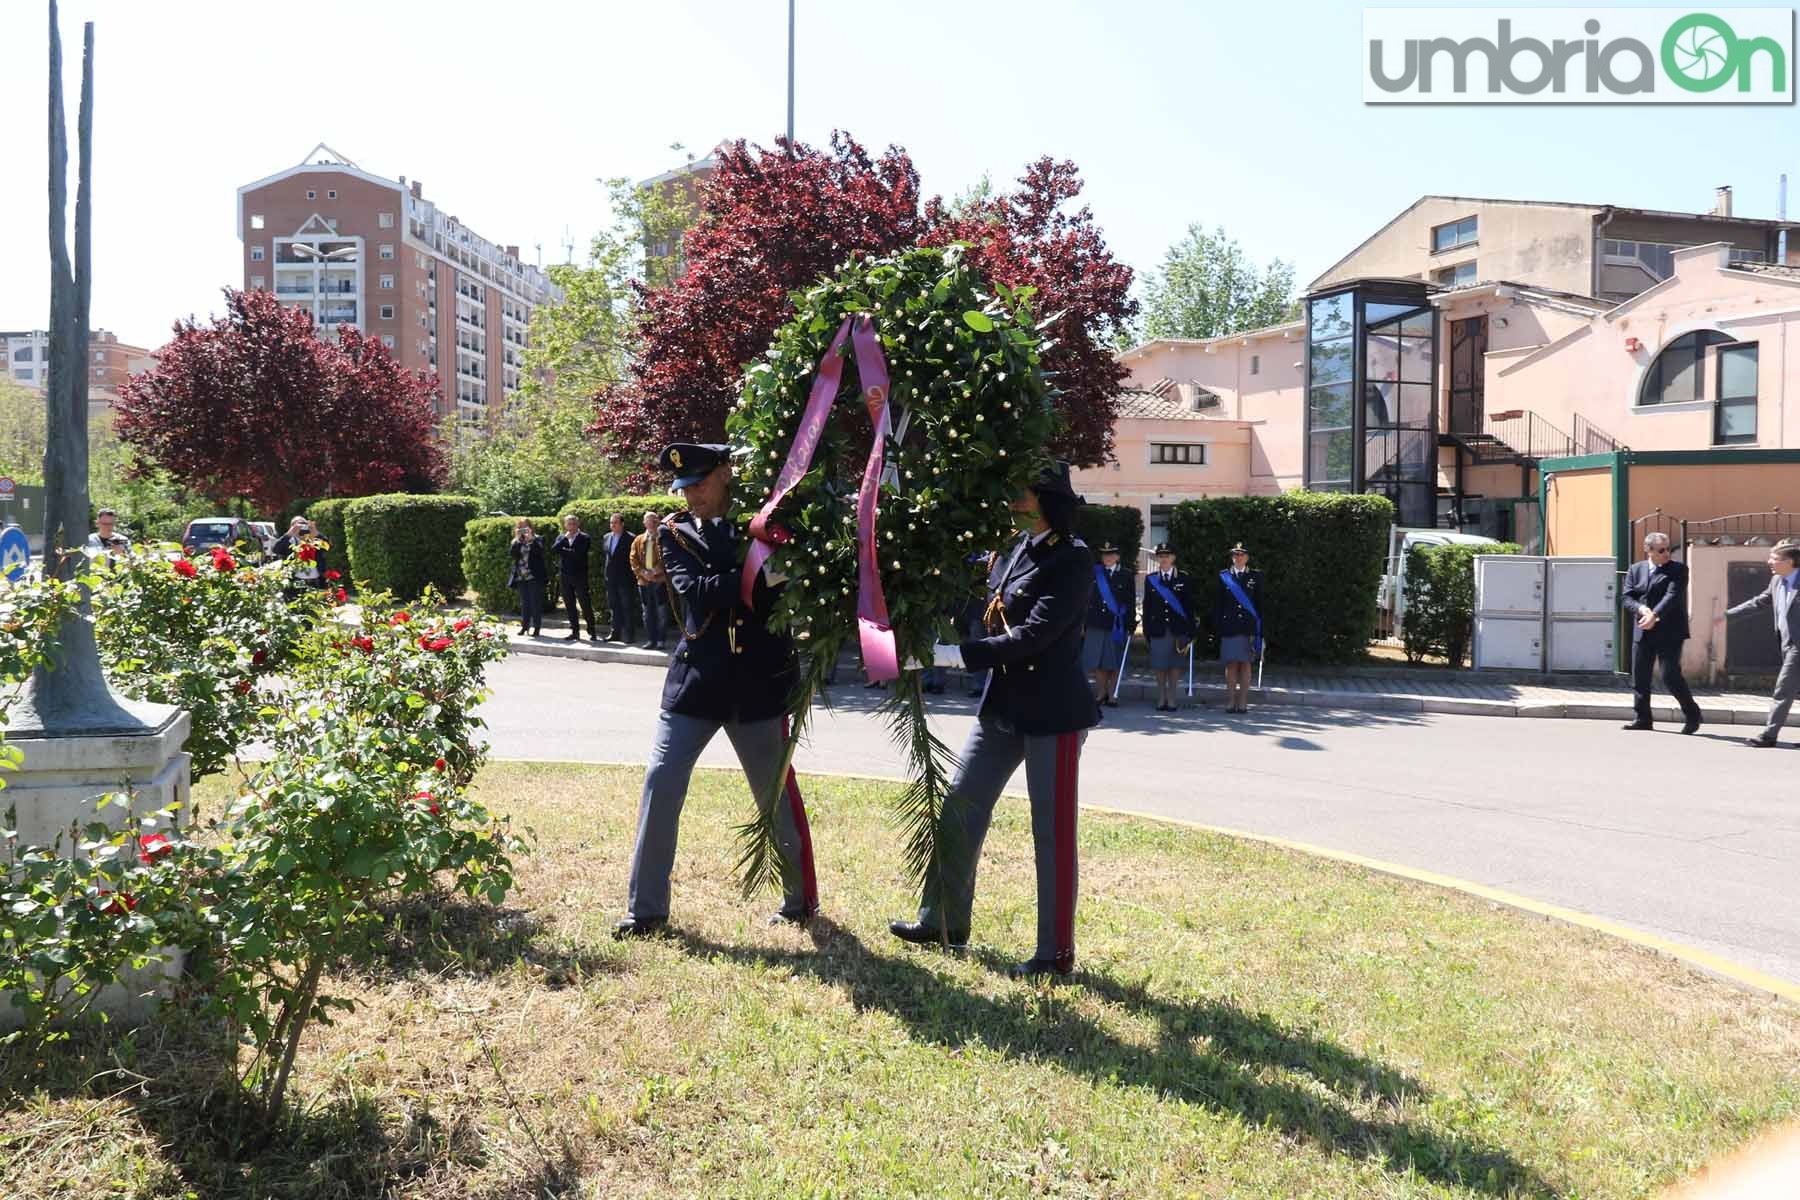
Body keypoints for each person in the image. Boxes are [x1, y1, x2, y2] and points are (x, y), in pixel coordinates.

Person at [890, 461, 1097, 981]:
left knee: (1051, 833)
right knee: (960, 808)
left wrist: (951, 656)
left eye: (1021, 494)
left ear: (1047, 500)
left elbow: (1033, 635)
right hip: (1004, 705)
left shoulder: (1071, 558)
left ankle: (1055, 954)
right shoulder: (1014, 549)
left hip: (1054, 712)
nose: (1012, 502)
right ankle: (942, 922)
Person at [615, 443, 819, 938]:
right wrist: (756, 573)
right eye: (682, 488)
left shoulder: (768, 517)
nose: (690, 497)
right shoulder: (672, 532)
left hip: (758, 683)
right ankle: (645, 911)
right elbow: (699, 592)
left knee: (773, 794)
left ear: (725, 474)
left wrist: (753, 574)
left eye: (699, 484)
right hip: (696, 683)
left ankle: (799, 901)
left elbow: (789, 583)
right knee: (660, 783)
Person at [1714, 539, 1800, 748]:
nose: (1769, 562)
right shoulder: (1777, 581)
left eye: (1775, 558)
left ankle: (1769, 736)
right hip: (1787, 643)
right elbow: (1759, 602)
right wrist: (1728, 615)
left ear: (1791, 562)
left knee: (1783, 689)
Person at [1620, 531, 1702, 734]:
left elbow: (1672, 596)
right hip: (1643, 629)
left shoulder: (1678, 570)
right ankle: (1642, 718)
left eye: (1668, 549)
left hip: (1670, 631)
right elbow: (1627, 597)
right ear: (1648, 550)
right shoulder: (1635, 569)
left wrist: (1654, 615)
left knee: (1670, 675)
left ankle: (1692, 714)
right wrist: (1641, 610)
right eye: (1661, 550)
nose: (1667, 553)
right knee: (1640, 676)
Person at [1141, 543, 1197, 713]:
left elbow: (1189, 606)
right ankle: (1161, 696)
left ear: (1173, 558)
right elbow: (1147, 606)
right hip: (1158, 629)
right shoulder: (1151, 579)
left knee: (1174, 665)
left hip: (1177, 629)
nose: (1164, 559)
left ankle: (1172, 696)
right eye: (1161, 556)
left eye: (1167, 556)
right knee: (1159, 665)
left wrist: (1190, 630)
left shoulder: (1184, 578)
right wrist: (1146, 629)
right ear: (1157, 558)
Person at [1082, 541, 1135, 707]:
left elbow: (1130, 600)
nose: (1108, 557)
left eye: (1112, 554)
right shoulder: (1093, 573)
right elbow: (1085, 599)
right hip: (1096, 622)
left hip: (1116, 624)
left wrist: (1130, 622)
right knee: (1097, 662)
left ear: (1118, 556)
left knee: (1113, 661)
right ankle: (1101, 692)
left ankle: (1113, 694)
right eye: (1105, 554)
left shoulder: (1126, 575)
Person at [1214, 543, 1265, 714]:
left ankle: (1243, 701)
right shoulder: (1224, 576)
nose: (1238, 558)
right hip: (1229, 626)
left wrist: (1261, 630)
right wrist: (1219, 626)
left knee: (1245, 665)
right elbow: (1218, 605)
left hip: (1248, 627)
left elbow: (1260, 605)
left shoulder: (1256, 577)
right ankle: (1230, 700)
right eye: (1235, 555)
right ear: (1232, 557)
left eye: (1242, 555)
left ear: (1247, 557)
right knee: (1231, 665)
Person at [550, 514, 597, 642]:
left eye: (573, 523)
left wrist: (565, 551)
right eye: (569, 524)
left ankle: (592, 630)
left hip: (580, 575)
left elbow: (579, 554)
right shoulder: (561, 538)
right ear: (565, 525)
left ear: (578, 524)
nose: (571, 526)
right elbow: (554, 550)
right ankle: (574, 631)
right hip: (565, 576)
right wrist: (564, 541)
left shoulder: (584, 537)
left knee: (584, 603)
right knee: (569, 604)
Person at [630, 509, 669, 650]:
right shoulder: (638, 539)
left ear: (658, 521)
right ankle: (651, 640)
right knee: (647, 613)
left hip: (660, 581)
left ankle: (661, 641)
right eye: (648, 520)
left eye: (654, 520)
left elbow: (667, 557)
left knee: (661, 612)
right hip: (644, 582)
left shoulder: (663, 538)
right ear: (644, 523)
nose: (651, 522)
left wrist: (655, 571)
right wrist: (642, 572)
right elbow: (633, 558)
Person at [603, 512, 640, 644]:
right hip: (611, 579)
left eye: (615, 523)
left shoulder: (631, 538)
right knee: (614, 607)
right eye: (611, 523)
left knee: (627, 607)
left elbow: (634, 559)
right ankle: (615, 633)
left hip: (625, 579)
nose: (612, 525)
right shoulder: (607, 537)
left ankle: (629, 635)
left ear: (622, 524)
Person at [507, 518, 547, 638]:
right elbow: (513, 555)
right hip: (521, 576)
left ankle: (537, 627)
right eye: (520, 527)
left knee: (535, 603)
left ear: (530, 527)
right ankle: (525, 627)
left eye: (525, 527)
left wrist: (530, 539)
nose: (523, 529)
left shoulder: (538, 538)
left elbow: (539, 552)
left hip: (534, 576)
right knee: (525, 603)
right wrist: (517, 539)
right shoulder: (517, 541)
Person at [271, 517, 323, 592]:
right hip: (295, 579)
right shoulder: (289, 541)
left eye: (303, 524)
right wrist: (289, 534)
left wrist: (315, 532)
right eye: (296, 525)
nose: (300, 527)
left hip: (314, 580)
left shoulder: (314, 540)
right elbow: (276, 549)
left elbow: (328, 547)